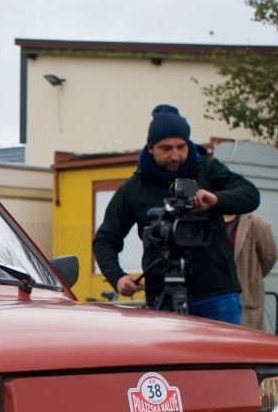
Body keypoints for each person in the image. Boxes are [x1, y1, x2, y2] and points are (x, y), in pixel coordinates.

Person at [93, 104, 260, 324]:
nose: (176, 155)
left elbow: (250, 195)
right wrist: (118, 277)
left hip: (216, 293)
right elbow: (105, 240)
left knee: (223, 359)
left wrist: (216, 200)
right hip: (162, 294)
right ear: (151, 148)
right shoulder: (134, 188)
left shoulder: (208, 170)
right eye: (166, 148)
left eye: (182, 147)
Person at [224, 210, 278, 333]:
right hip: (215, 297)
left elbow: (270, 257)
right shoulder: (207, 220)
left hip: (245, 297)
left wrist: (253, 278)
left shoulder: (257, 224)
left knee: (246, 345)